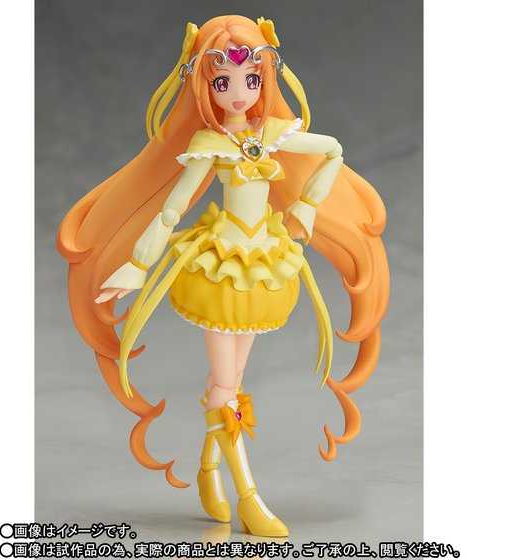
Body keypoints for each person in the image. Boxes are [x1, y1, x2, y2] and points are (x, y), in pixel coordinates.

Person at [57, 15, 389, 538]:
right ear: (204, 87)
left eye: (251, 79)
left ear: (266, 79)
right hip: (220, 266)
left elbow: (332, 152)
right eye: (223, 81)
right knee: (226, 387)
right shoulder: (210, 143)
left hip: (263, 263)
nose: (239, 92)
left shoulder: (273, 133)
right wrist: (138, 264)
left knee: (226, 386)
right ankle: (249, 497)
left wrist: (307, 205)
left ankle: (208, 468)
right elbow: (171, 208)